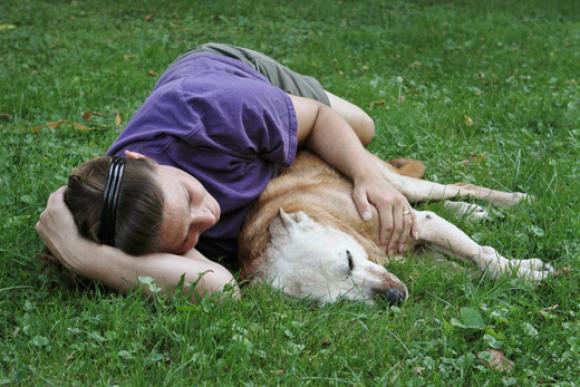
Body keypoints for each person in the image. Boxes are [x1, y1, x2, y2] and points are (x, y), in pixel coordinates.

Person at [36, 43, 417, 299]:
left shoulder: (218, 111)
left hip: (238, 76)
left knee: (362, 130)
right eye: (186, 236)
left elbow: (320, 120)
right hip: (239, 129)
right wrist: (84, 256)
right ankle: (276, 140)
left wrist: (368, 175)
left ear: (142, 159)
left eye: (189, 195)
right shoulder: (132, 220)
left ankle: (282, 120)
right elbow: (222, 289)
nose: (209, 216)